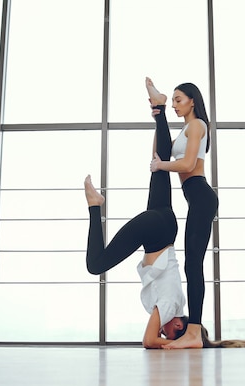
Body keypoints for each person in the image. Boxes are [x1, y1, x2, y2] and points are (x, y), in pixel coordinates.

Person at [84, 83, 187, 349]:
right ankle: (95, 205)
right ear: (177, 325)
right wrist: (174, 345)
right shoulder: (169, 307)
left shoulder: (176, 301)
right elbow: (148, 341)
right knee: (96, 265)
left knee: (159, 165)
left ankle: (160, 107)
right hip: (154, 230)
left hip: (164, 227)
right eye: (170, 334)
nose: (163, 333)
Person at [146, 77, 218, 349]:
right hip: (195, 197)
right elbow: (159, 152)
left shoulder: (198, 125)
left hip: (201, 195)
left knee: (193, 265)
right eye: (172, 101)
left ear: (192, 101)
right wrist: (158, 119)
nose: (178, 105)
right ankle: (157, 104)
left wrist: (162, 165)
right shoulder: (187, 130)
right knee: (192, 264)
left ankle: (193, 333)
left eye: (178, 100)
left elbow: (187, 163)